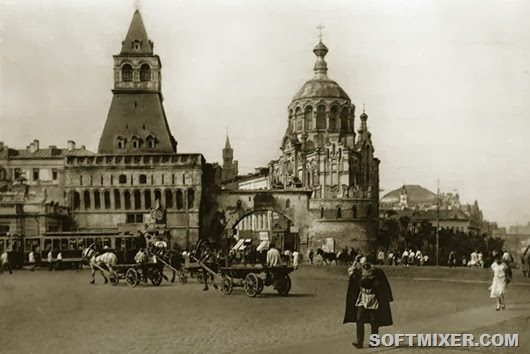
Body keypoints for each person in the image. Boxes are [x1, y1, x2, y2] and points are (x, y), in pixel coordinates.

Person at [344, 258, 393, 349]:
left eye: (366, 263)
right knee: (359, 319)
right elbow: (350, 271)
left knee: (374, 320)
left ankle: (374, 341)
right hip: (362, 298)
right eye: (363, 264)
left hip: (373, 298)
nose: (365, 265)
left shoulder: (377, 273)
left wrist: (385, 297)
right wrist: (355, 261)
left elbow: (383, 286)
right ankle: (359, 341)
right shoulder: (358, 273)